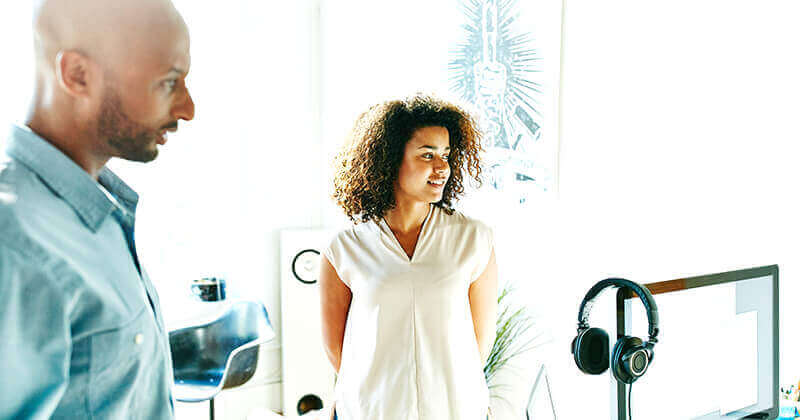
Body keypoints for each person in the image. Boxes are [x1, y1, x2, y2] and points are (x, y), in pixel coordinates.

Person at [0, 0, 194, 418]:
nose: (187, 109)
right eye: (169, 82)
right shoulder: (11, 241)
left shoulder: (100, 217)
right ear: (77, 74)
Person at [320, 94, 498, 420]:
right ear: (389, 160)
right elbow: (336, 348)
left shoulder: (474, 239)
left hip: (456, 410)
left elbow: (480, 343)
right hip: (371, 411)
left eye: (445, 154)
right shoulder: (345, 248)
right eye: (427, 155)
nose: (441, 167)